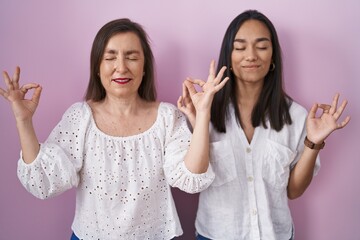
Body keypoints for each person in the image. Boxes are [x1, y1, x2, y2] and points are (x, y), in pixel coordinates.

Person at [0, 18, 228, 240]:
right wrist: (23, 121)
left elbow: (192, 178)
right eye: (110, 57)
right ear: (98, 68)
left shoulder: (167, 117)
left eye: (131, 57)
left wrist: (204, 111)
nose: (121, 67)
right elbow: (46, 181)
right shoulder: (80, 118)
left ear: (145, 67)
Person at [177, 10, 350, 240]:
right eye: (240, 47)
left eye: (261, 46)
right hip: (215, 234)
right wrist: (201, 118)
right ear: (228, 55)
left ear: (273, 57)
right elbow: (193, 180)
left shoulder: (296, 116)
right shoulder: (203, 111)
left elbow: (294, 190)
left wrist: (313, 142)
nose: (251, 55)